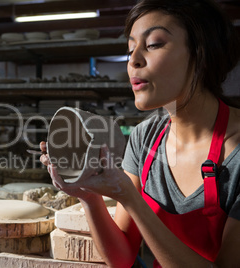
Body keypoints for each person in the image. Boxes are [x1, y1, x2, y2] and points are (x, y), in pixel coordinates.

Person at [40, 0, 240, 267]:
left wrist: (130, 198)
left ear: (201, 54)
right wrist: (88, 197)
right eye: (131, 48)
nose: (133, 61)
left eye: (154, 44)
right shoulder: (145, 137)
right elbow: (122, 258)